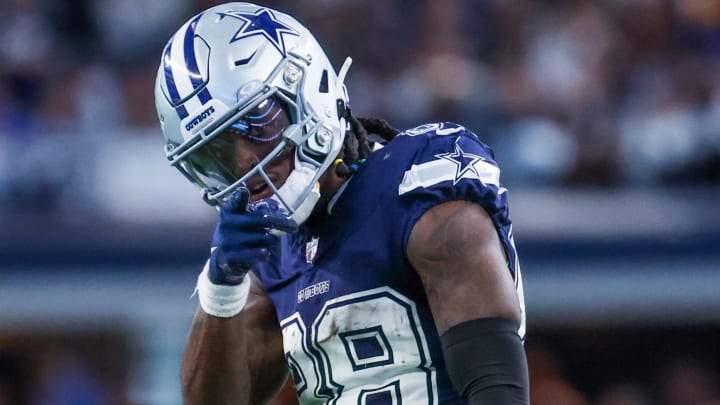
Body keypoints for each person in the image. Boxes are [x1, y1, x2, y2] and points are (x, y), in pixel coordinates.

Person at [154, 2, 529, 404]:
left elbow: (497, 387)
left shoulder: (418, 185)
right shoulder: (271, 253)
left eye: (255, 124)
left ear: (308, 86)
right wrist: (220, 287)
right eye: (217, 153)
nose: (244, 162)